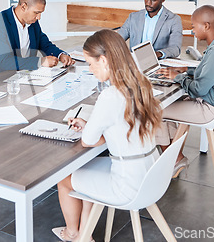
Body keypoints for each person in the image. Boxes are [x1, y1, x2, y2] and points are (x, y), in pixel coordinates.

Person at [53, 29, 162, 242]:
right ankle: (85, 234)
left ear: (103, 60)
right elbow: (120, 131)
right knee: (87, 170)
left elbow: (87, 141)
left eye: (91, 64)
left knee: (64, 179)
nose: (91, 69)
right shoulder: (142, 84)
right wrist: (93, 125)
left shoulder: (110, 96)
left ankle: (73, 233)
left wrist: (88, 127)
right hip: (151, 175)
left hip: (127, 186)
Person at [158, 5, 214, 177]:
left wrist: (176, 77)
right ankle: (174, 154)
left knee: (155, 110)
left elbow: (198, 89)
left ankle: (174, 158)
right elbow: (212, 74)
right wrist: (187, 70)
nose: (192, 30)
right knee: (171, 104)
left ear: (206, 26)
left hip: (208, 109)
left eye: (194, 26)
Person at [0, 0, 74, 79]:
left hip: (22, 77)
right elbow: (5, 61)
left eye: (40, 13)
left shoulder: (32, 22)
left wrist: (60, 55)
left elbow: (44, 44)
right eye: (36, 13)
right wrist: (40, 61)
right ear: (23, 7)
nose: (39, 17)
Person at [118, 0, 183, 58]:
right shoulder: (133, 17)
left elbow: (175, 48)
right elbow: (118, 39)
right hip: (134, 63)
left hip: (158, 63)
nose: (148, 3)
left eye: (153, 0)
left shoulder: (174, 20)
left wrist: (158, 54)